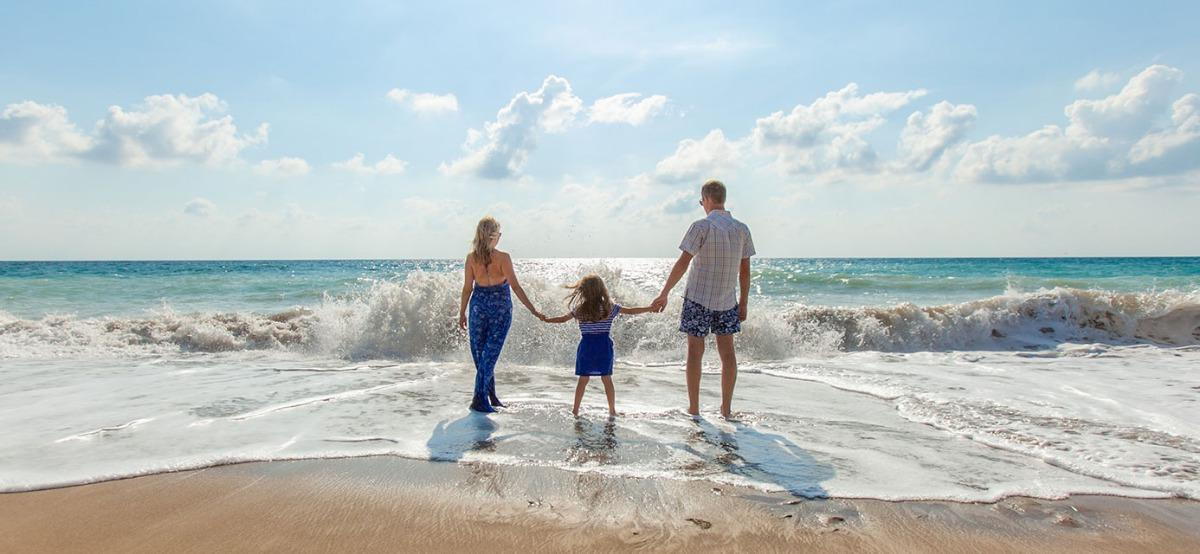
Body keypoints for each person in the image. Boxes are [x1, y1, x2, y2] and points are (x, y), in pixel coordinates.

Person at [650, 180, 755, 418]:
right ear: (723, 199)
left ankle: (694, 409)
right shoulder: (742, 229)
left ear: (705, 199)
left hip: (698, 298)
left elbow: (683, 263)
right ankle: (726, 409)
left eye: (701, 201)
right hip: (728, 300)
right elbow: (745, 272)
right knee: (728, 354)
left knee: (694, 353)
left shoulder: (701, 226)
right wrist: (744, 302)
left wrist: (664, 292)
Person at [458, 216, 543, 413]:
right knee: (488, 355)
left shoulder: (471, 258)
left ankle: (491, 396)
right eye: (499, 233)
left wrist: (462, 312)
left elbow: (467, 289)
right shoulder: (503, 258)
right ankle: (479, 399)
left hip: (478, 307)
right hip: (500, 309)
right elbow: (515, 286)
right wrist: (533, 309)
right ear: (494, 236)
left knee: (483, 355)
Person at [539, 274, 655, 417]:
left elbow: (562, 319)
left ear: (583, 291)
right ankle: (612, 411)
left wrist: (547, 320)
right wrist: (650, 308)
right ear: (602, 290)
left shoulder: (580, 309)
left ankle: (575, 410)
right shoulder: (609, 308)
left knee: (583, 379)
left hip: (586, 347)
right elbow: (631, 311)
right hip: (603, 347)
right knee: (606, 379)